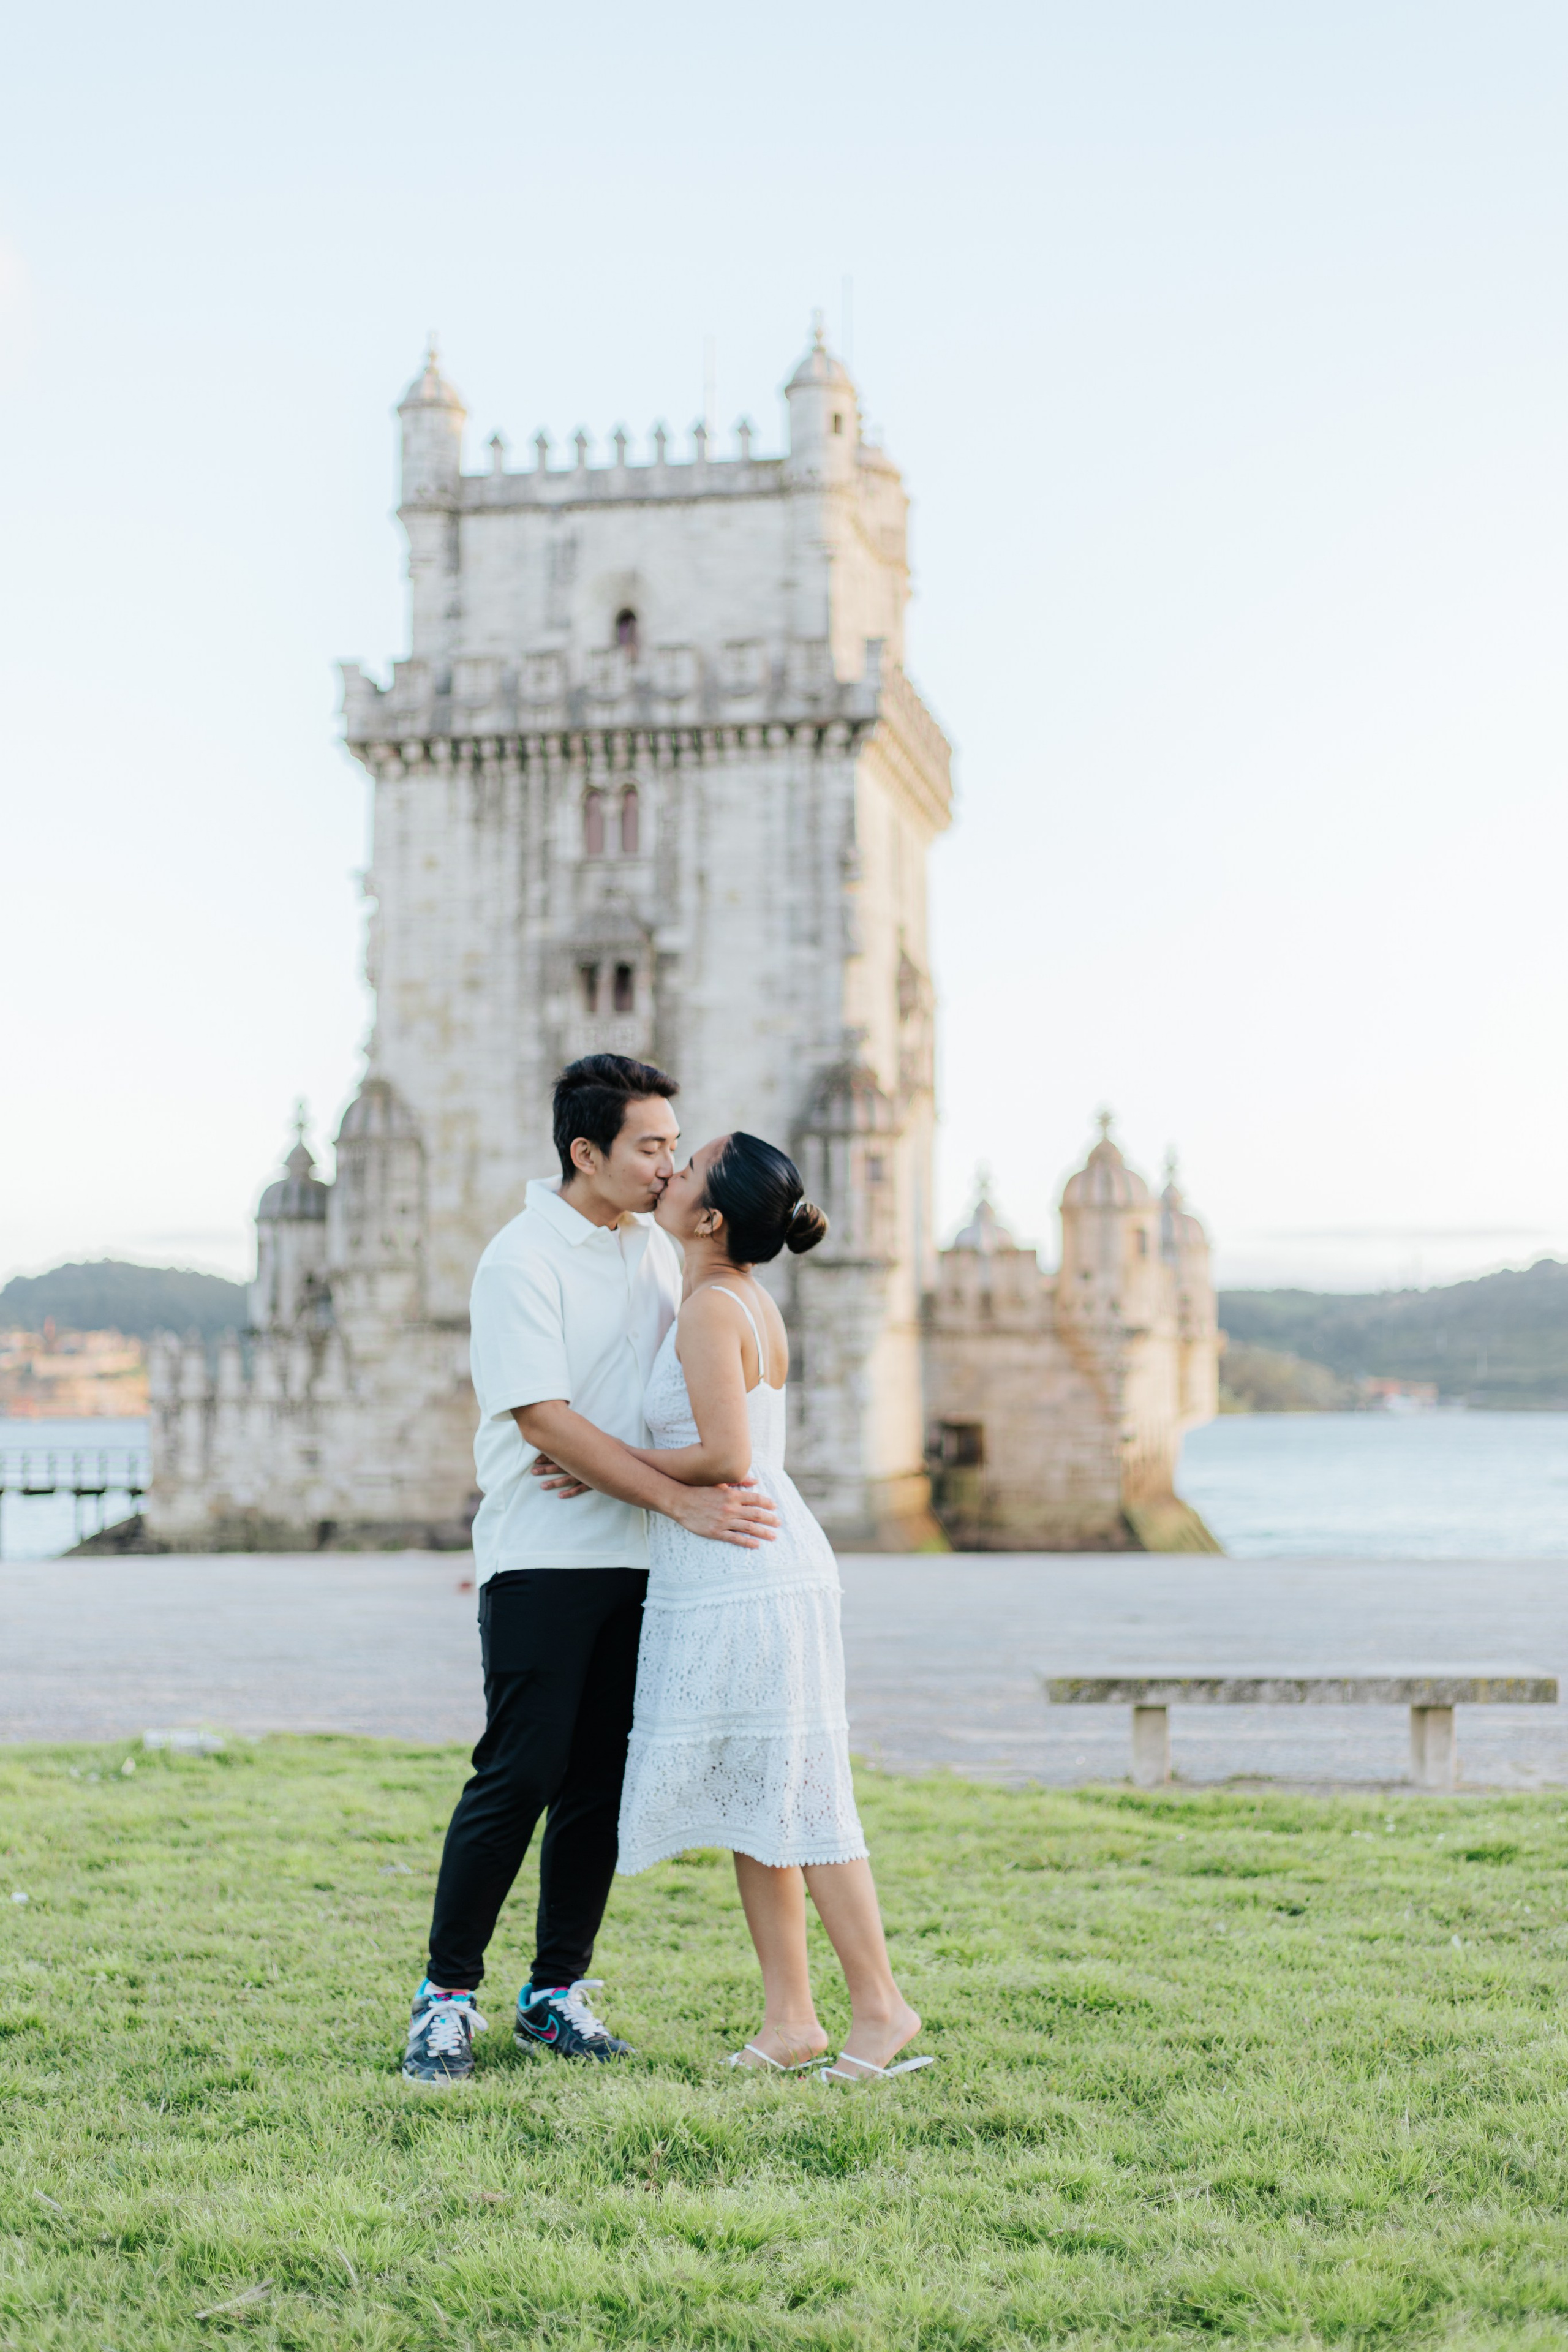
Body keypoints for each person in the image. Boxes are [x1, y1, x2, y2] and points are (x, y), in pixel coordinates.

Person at [402, 1058, 780, 2087]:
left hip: (643, 1561)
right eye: (650, 1147)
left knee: (598, 1786)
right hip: (544, 1557)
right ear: (587, 1153)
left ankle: (555, 1996)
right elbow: (544, 1421)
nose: (668, 1166)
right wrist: (682, 1497)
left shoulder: (659, 1251)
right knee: (517, 1772)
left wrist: (662, 1491)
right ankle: (444, 2001)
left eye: (674, 1145)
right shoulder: (520, 1260)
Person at [534, 1133, 930, 2085]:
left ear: (710, 1219)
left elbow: (724, 1457)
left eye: (689, 1166)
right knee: (764, 1799)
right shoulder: (738, 1297)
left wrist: (598, 1465)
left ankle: (880, 2008)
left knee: (800, 1793)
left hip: (749, 1566)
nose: (667, 1172)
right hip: (744, 1561)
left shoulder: (714, 1308)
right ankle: (790, 2020)